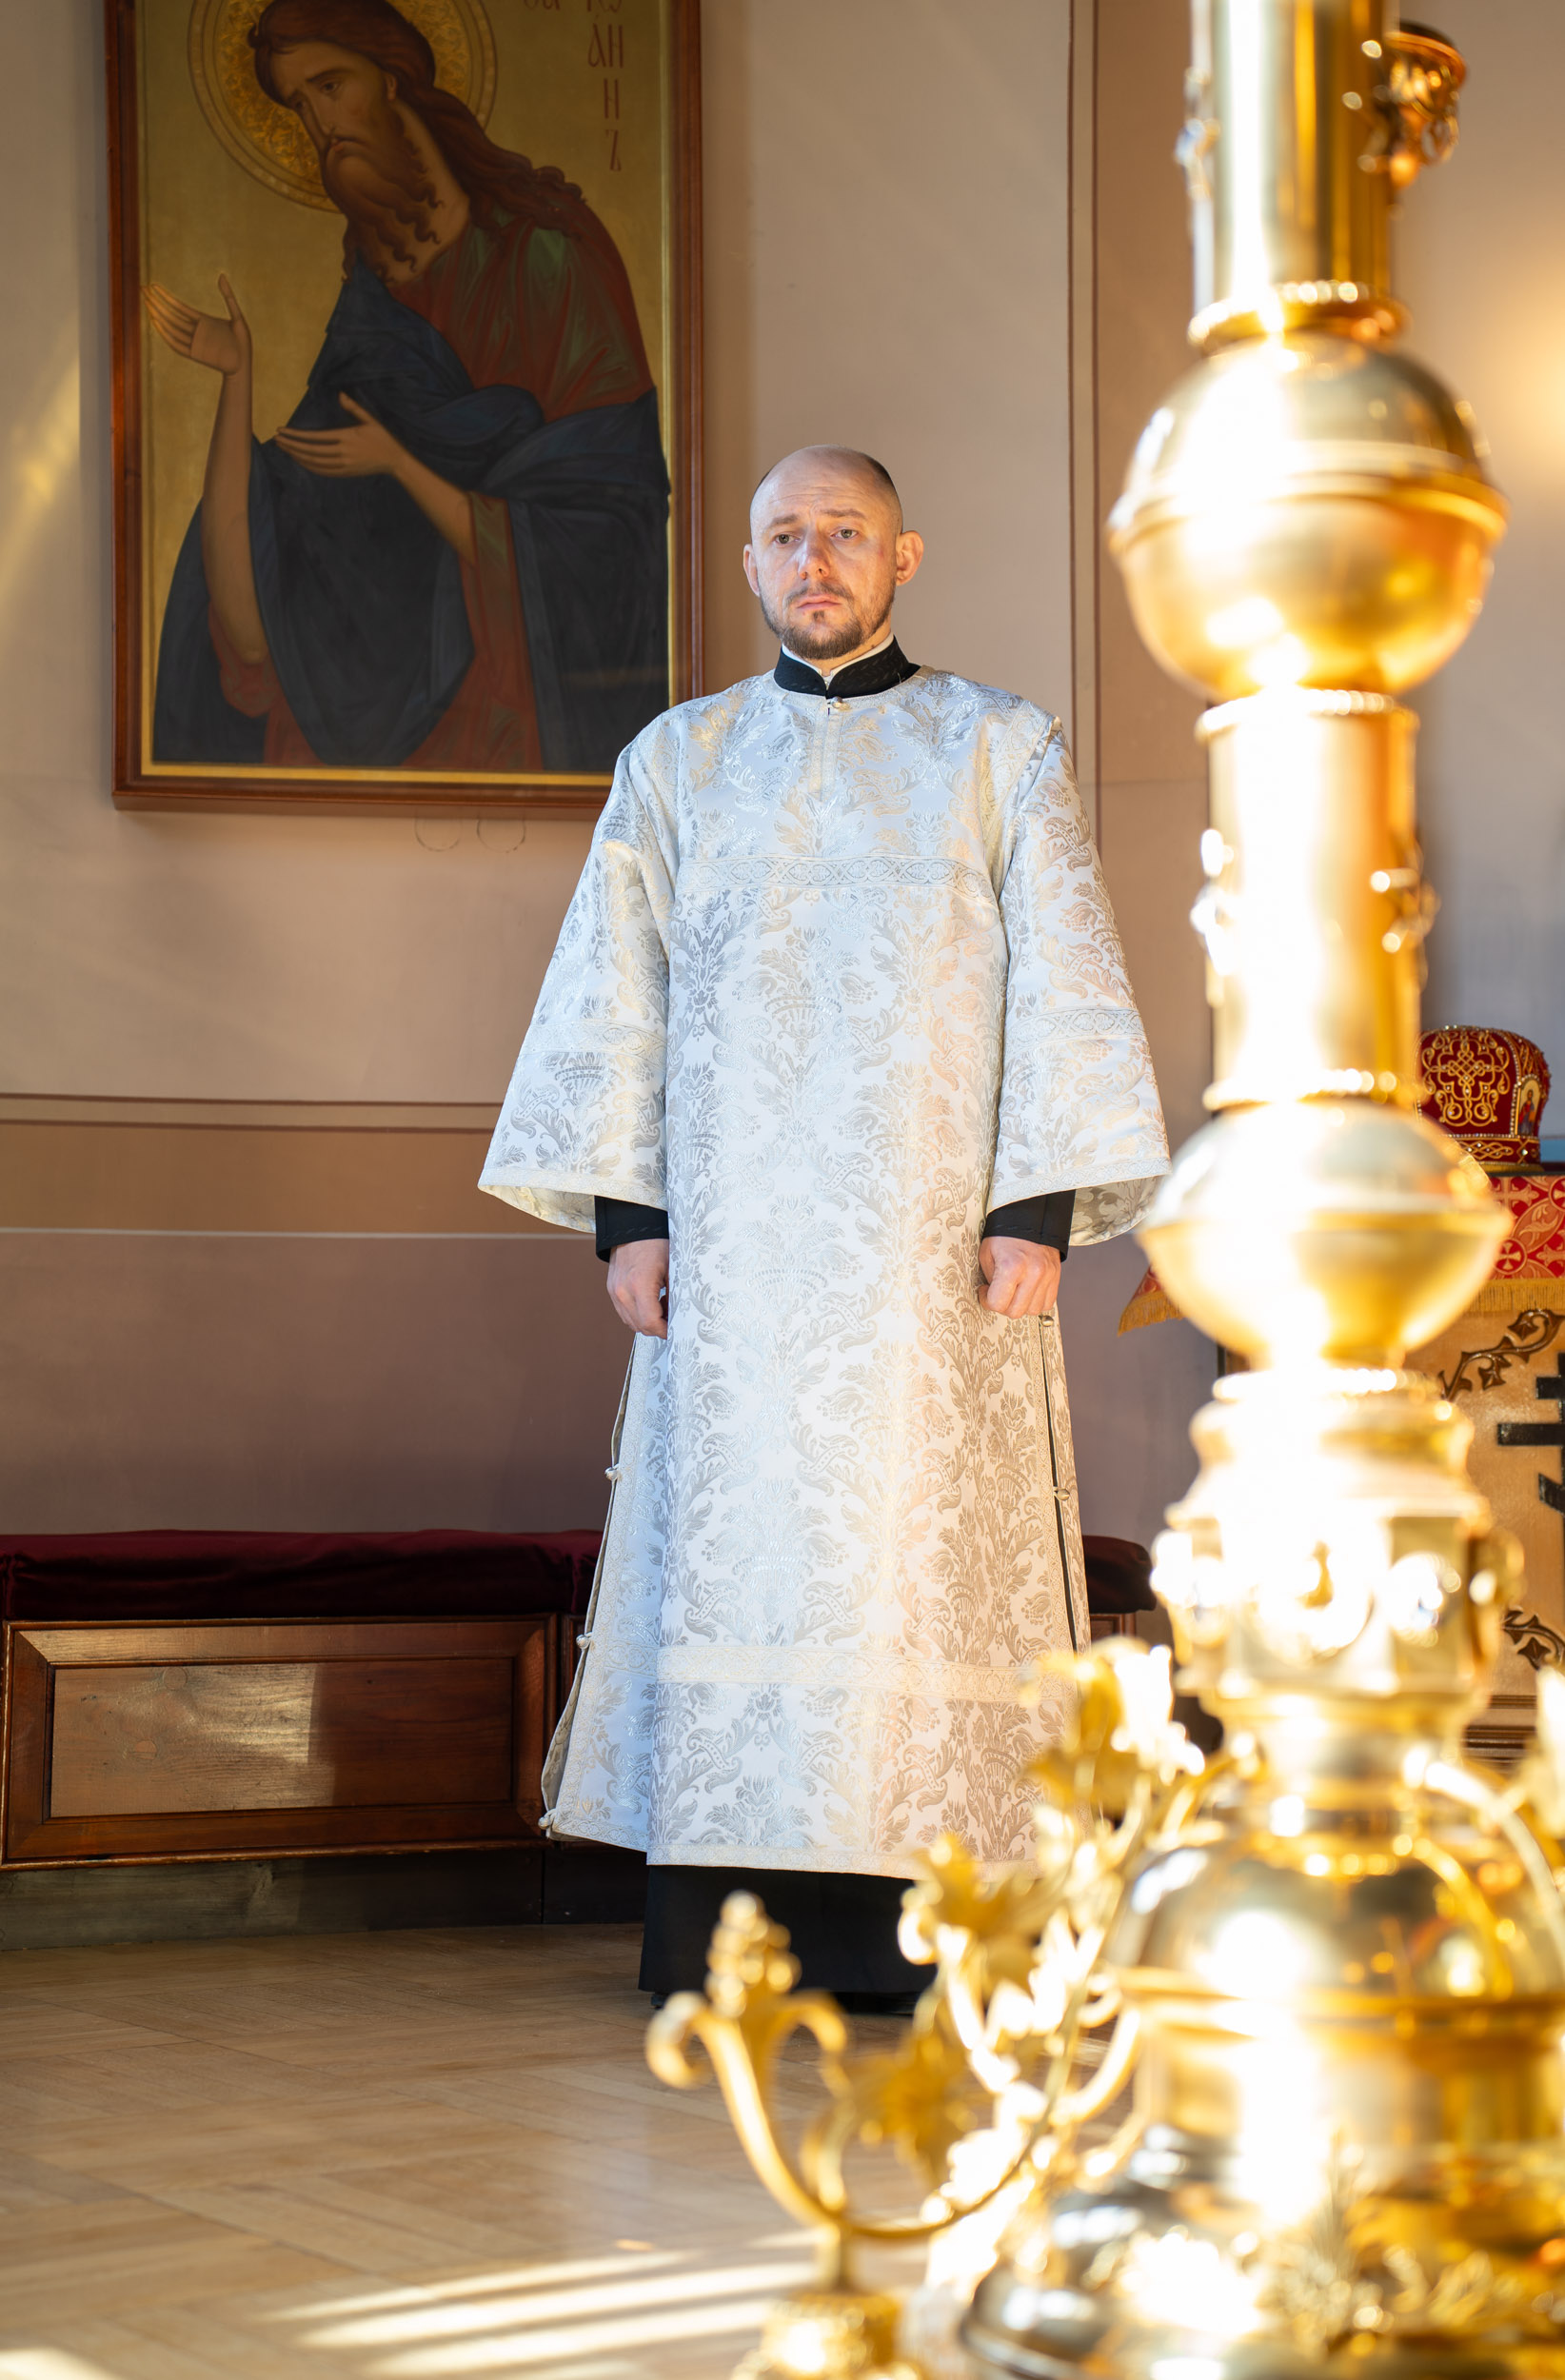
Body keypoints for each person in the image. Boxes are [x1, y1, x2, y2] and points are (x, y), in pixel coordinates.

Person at [482, 446, 1168, 2008]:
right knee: (747, 1558)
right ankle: (727, 1930)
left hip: (937, 1257)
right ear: (749, 566)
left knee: (917, 1557)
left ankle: (935, 1928)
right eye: (785, 536)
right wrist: (629, 1220)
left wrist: (1035, 1207)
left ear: (902, 557)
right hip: (732, 1259)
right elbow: (613, 993)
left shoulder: (997, 748)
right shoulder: (680, 760)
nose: (814, 559)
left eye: (844, 532)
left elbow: (1066, 978)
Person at [147, 0, 667, 776]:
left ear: (391, 78)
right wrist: (236, 378)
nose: (320, 124)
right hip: (361, 730)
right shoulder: (371, 312)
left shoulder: (550, 258)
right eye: (299, 105)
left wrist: (401, 465)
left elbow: (613, 533)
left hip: (507, 717)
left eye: (330, 86)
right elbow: (257, 614)